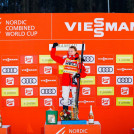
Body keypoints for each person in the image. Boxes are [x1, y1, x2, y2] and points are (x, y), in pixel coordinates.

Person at [51, 43, 87, 110]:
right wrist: (53, 48)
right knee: (65, 98)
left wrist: (79, 75)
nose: (70, 52)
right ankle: (65, 115)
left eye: (71, 51)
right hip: (66, 82)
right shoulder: (65, 60)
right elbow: (53, 57)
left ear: (75, 51)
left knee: (74, 100)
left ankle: (75, 116)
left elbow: (84, 73)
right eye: (69, 51)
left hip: (74, 82)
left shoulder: (78, 61)